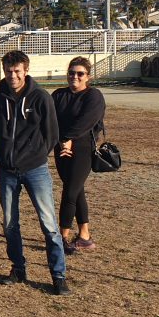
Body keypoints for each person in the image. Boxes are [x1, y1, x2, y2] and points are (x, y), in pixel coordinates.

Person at [0, 50, 69, 295]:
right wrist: (2, 155)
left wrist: (35, 154)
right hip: (7, 170)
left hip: (35, 169)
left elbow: (52, 133)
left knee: (49, 224)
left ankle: (58, 274)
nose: (12, 76)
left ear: (26, 70)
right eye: (8, 71)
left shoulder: (41, 98)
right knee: (10, 223)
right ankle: (18, 268)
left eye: (17, 71)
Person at [52, 56, 106, 254]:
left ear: (88, 77)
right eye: (71, 73)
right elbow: (50, 119)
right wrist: (60, 140)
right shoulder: (58, 95)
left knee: (70, 193)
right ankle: (84, 236)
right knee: (76, 190)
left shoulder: (94, 96)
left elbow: (87, 121)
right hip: (61, 149)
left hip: (82, 150)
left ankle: (62, 237)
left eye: (80, 73)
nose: (75, 77)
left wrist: (68, 138)